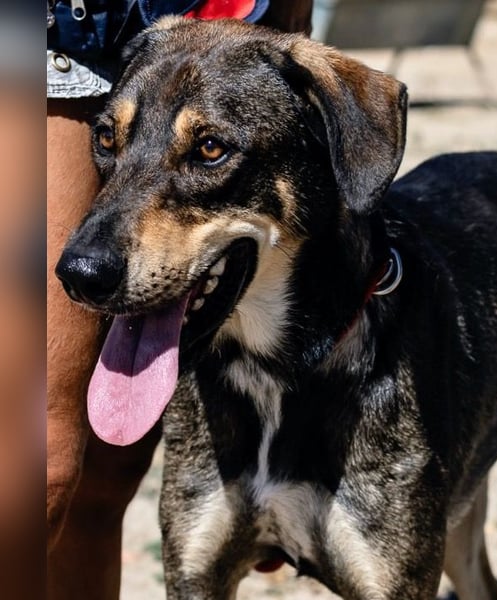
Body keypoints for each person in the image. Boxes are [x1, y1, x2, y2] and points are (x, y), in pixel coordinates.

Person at [46, 2, 311, 598]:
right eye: (108, 141)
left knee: (110, 477)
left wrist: (292, 26)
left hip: (204, 7)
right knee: (42, 471)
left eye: (209, 149)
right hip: (51, 25)